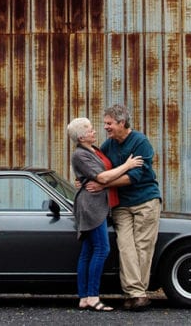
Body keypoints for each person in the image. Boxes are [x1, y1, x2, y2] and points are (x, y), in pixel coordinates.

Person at [88, 104, 161, 311]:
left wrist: (104, 183)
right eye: (105, 124)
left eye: (109, 123)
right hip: (121, 204)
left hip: (145, 200)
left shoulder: (140, 142)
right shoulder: (108, 146)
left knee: (143, 247)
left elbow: (134, 177)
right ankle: (137, 293)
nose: (106, 127)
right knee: (125, 247)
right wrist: (86, 181)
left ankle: (135, 294)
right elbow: (98, 169)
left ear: (122, 123)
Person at [67, 116, 144, 312]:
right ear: (82, 136)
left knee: (88, 251)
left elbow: (94, 175)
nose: (95, 131)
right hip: (91, 206)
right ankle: (93, 297)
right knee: (102, 249)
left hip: (98, 203)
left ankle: (84, 297)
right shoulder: (79, 154)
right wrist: (128, 165)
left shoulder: (94, 149)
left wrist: (82, 180)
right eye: (91, 129)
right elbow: (101, 177)